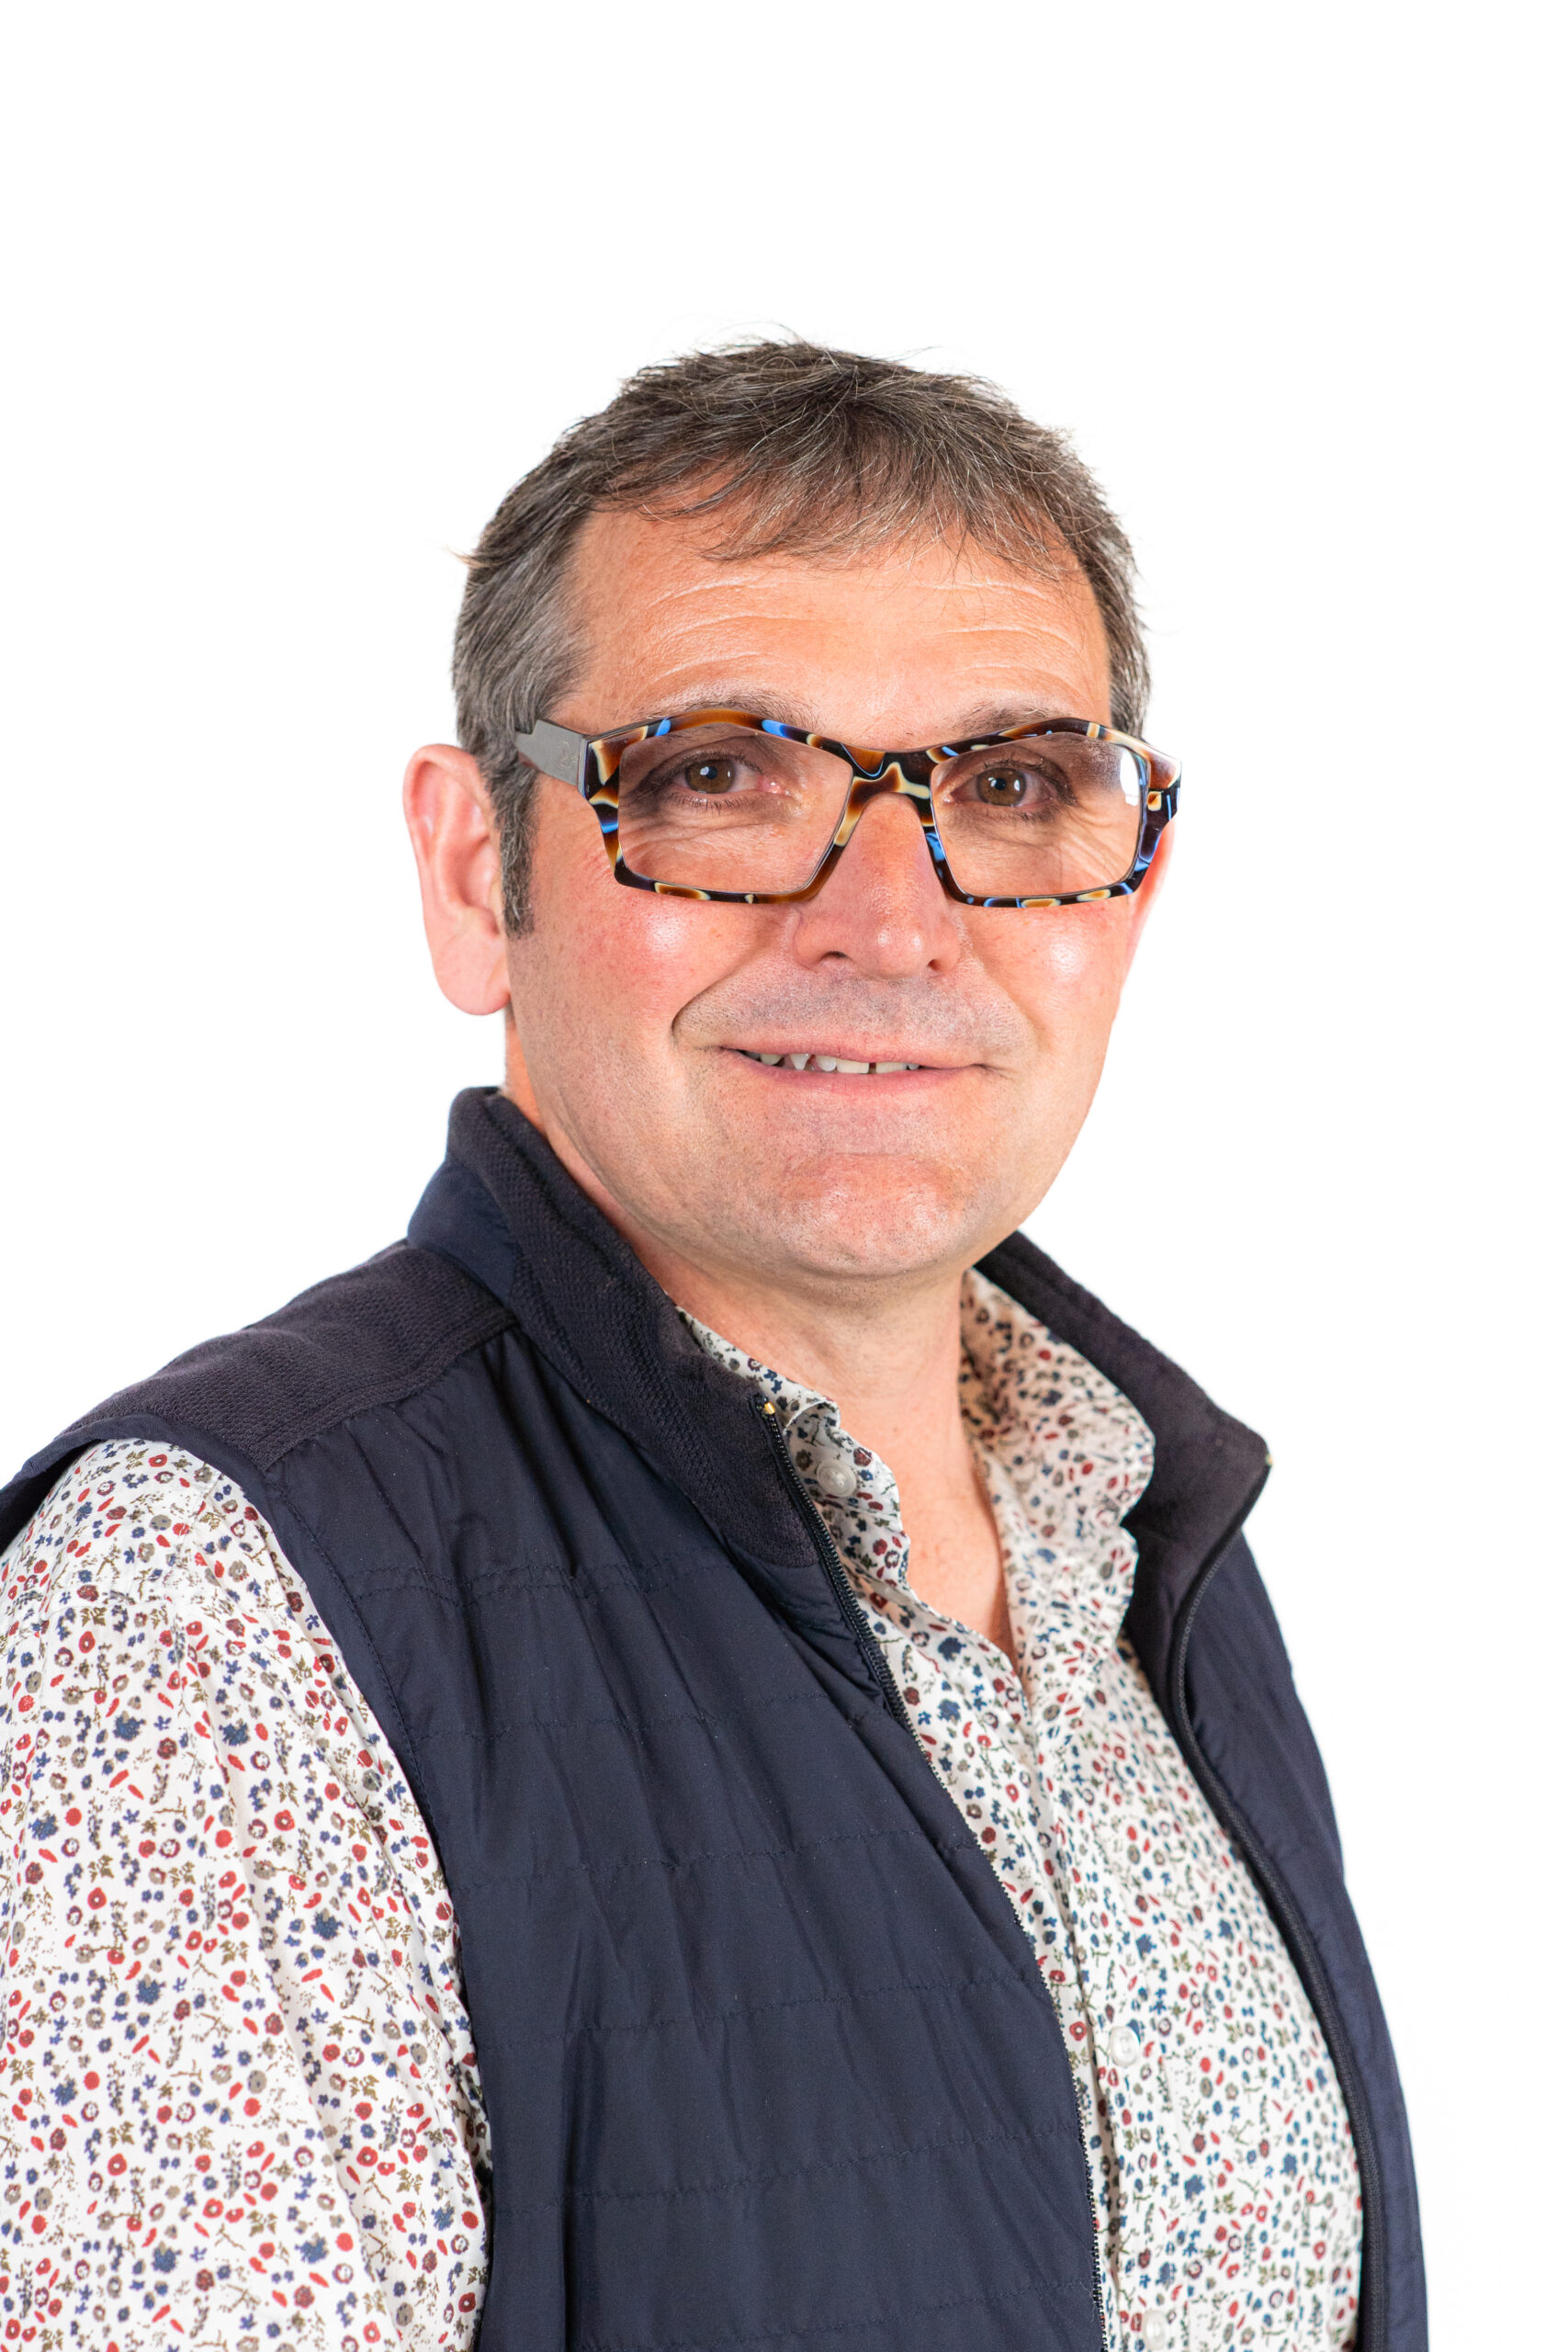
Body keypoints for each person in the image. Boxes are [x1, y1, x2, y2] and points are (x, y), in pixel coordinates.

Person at [0, 342, 1423, 2352]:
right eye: (718, 777)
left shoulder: (1145, 1545)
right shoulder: (206, 1617)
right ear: (477, 870)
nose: (892, 920)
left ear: (1128, 883)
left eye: (1011, 786)